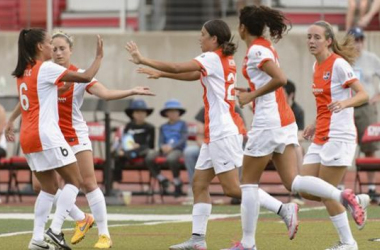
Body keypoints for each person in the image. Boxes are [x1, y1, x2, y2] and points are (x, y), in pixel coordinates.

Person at [126, 19, 302, 250]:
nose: (199, 38)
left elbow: (180, 67)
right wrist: (162, 74)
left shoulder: (212, 57)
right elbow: (193, 75)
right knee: (199, 184)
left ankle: (283, 209)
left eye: (202, 34)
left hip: (223, 131)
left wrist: (144, 59)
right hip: (217, 132)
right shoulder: (223, 59)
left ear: (214, 39)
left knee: (233, 189)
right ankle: (198, 240)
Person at [228, 7, 366, 250]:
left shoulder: (339, 65)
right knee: (299, 185)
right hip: (319, 133)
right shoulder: (315, 67)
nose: (311, 41)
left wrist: (345, 102)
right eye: (309, 37)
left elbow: (363, 94)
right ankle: (351, 198)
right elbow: (323, 102)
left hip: (338, 134)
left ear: (329, 41)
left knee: (251, 183)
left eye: (317, 37)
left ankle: (348, 241)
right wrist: (313, 123)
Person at [22, 31, 154, 249]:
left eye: (62, 48)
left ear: (71, 50)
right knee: (41, 185)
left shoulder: (79, 75)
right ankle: (82, 218)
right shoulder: (44, 72)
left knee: (88, 183)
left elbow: (106, 93)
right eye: (54, 48)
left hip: (74, 136)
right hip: (52, 138)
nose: (58, 52)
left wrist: (131, 90)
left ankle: (104, 234)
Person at [5, 28, 103, 250]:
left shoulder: (23, 71)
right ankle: (56, 230)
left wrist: (11, 120)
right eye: (50, 43)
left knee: (48, 188)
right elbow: (86, 77)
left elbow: (42, 94)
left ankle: (37, 239)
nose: (53, 47)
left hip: (28, 137)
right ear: (40, 47)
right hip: (47, 135)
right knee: (75, 181)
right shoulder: (46, 68)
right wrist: (99, 57)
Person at [183, 105, 246, 205]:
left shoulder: (230, 106)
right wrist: (203, 144)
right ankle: (191, 194)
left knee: (231, 190)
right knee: (198, 185)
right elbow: (199, 134)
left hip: (225, 141)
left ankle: (275, 205)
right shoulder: (205, 107)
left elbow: (241, 131)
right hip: (209, 142)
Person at [348, 27, 380, 203]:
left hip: (366, 106)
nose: (358, 43)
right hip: (347, 107)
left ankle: (371, 188)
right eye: (354, 39)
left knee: (370, 148)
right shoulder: (344, 58)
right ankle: (339, 189)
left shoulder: (371, 59)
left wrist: (377, 96)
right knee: (345, 146)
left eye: (360, 40)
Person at [145, 99, 188, 198]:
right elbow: (160, 141)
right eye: (170, 111)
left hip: (178, 149)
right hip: (164, 150)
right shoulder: (163, 126)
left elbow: (183, 139)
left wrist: (172, 147)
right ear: (166, 113)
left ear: (179, 113)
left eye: (175, 111)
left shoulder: (182, 125)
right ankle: (162, 179)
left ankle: (177, 181)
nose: (173, 113)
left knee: (172, 159)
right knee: (149, 157)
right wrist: (162, 147)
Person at [113, 99, 155, 183]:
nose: (140, 115)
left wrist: (138, 146)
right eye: (137, 112)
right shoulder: (128, 126)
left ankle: (129, 154)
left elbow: (151, 145)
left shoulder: (150, 128)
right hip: (128, 150)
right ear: (132, 114)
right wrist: (122, 148)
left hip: (142, 150)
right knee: (114, 155)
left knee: (146, 151)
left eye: (142, 112)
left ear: (146, 114)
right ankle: (114, 182)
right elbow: (124, 139)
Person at [283, 80, 305, 205]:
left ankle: (299, 191)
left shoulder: (297, 111)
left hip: (290, 145)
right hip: (274, 144)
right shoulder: (276, 108)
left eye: (283, 93)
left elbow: (301, 134)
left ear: (291, 95)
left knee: (297, 148)